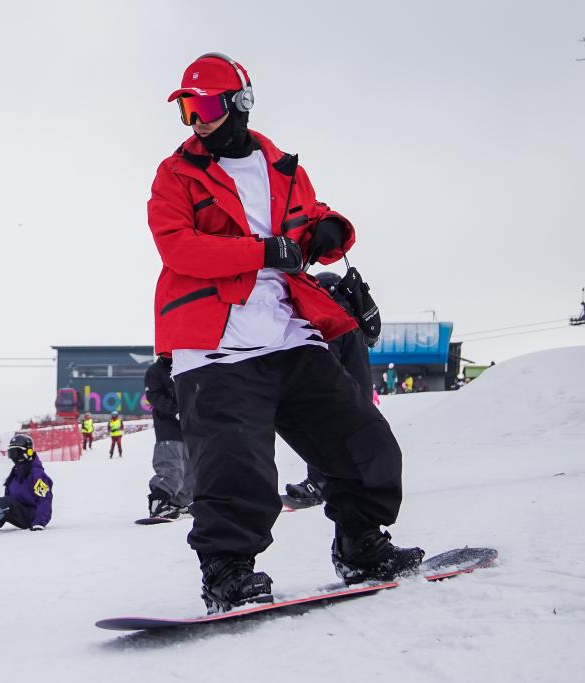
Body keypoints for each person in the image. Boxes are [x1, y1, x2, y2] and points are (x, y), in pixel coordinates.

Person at [149, 52, 423, 613]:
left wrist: (330, 230)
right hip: (215, 346)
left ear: (239, 103)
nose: (196, 122)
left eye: (204, 108)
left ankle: (360, 543)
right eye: (186, 111)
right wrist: (261, 252)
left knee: (361, 440)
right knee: (235, 467)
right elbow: (176, 246)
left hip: (289, 335)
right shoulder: (175, 174)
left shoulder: (283, 168)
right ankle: (227, 573)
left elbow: (313, 217)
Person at [284, 271, 375, 507]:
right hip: (358, 393)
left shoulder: (332, 318)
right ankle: (355, 483)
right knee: (349, 441)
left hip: (339, 393)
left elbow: (327, 360)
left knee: (322, 436)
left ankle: (318, 485)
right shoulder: (352, 318)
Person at [144, 356, 194, 519]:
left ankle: (179, 502)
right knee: (171, 466)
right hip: (168, 427)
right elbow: (154, 396)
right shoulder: (156, 371)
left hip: (188, 427)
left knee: (189, 469)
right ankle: (158, 501)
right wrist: (175, 410)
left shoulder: (186, 365)